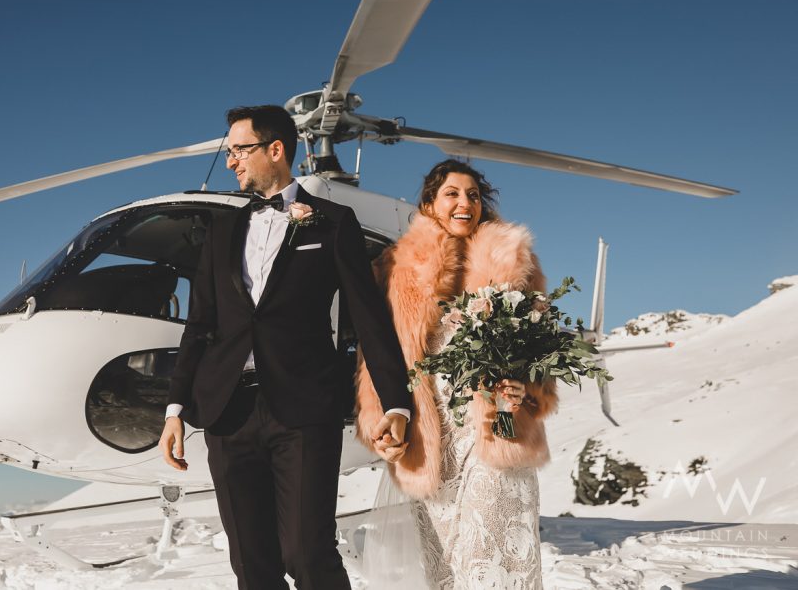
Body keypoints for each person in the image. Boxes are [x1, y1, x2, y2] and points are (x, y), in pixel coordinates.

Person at [160, 104, 413, 589]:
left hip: (302, 410)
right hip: (228, 413)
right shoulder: (220, 231)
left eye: (240, 150)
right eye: (229, 152)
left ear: (275, 150)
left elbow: (369, 318)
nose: (230, 161)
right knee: (251, 566)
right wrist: (175, 409)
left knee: (307, 554)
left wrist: (395, 403)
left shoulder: (333, 222)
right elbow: (199, 326)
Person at [355, 159, 557, 589]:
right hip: (433, 438)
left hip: (498, 427)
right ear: (429, 204)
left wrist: (527, 387)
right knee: (446, 569)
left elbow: (541, 347)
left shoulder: (513, 259)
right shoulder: (396, 268)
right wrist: (380, 423)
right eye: (452, 194)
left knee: (492, 559)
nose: (465, 203)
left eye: (473, 195)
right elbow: (377, 359)